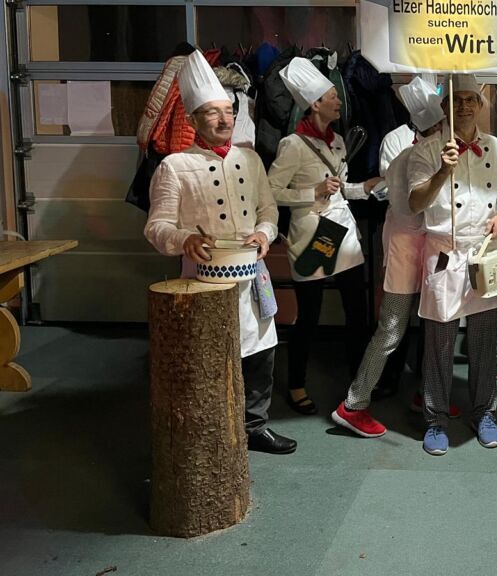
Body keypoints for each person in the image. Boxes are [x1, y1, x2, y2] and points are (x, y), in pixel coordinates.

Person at [145, 50, 295, 455]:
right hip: (204, 282)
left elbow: (269, 210)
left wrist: (264, 233)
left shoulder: (250, 160)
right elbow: (156, 227)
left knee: (261, 353)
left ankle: (255, 427)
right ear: (193, 120)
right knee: (210, 358)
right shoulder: (174, 167)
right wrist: (184, 240)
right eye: (212, 113)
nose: (223, 119)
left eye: (228, 111)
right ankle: (211, 432)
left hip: (253, 276)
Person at [407, 74, 497, 456]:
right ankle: (436, 419)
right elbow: (416, 204)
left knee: (485, 343)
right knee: (439, 344)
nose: (464, 106)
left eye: (471, 99)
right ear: (444, 106)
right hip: (444, 255)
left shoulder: (495, 147)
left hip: (483, 255)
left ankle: (484, 412)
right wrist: (442, 171)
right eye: (457, 99)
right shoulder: (426, 150)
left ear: (480, 105)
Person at [267, 57, 381, 416]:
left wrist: (364, 187)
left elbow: (340, 189)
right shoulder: (293, 145)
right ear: (314, 104)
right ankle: (296, 383)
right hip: (311, 238)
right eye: (332, 96)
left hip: (342, 235)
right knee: (309, 316)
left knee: (357, 312)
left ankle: (359, 382)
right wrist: (311, 192)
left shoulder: (339, 142)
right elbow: (270, 191)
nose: (339, 101)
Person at [332, 77, 445, 437]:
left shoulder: (435, 151)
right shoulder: (406, 155)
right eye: (437, 126)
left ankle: (427, 395)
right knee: (392, 327)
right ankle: (354, 403)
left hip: (431, 246)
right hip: (404, 247)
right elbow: (406, 200)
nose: (441, 131)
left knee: (434, 323)